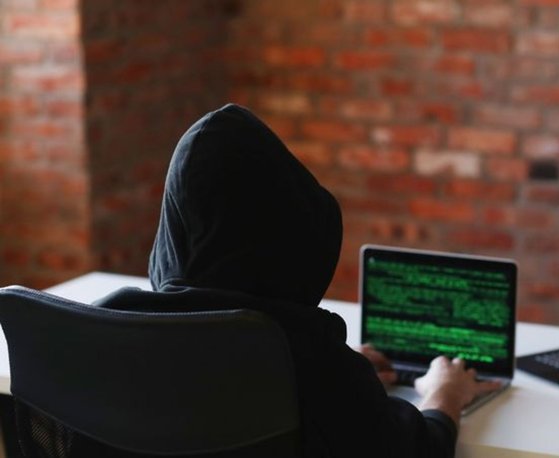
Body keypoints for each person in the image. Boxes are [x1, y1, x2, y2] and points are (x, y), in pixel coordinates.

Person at [96, 103, 500, 457]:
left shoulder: (101, 334)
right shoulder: (309, 365)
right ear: (292, 230)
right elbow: (416, 451)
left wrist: (346, 378)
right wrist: (445, 393)